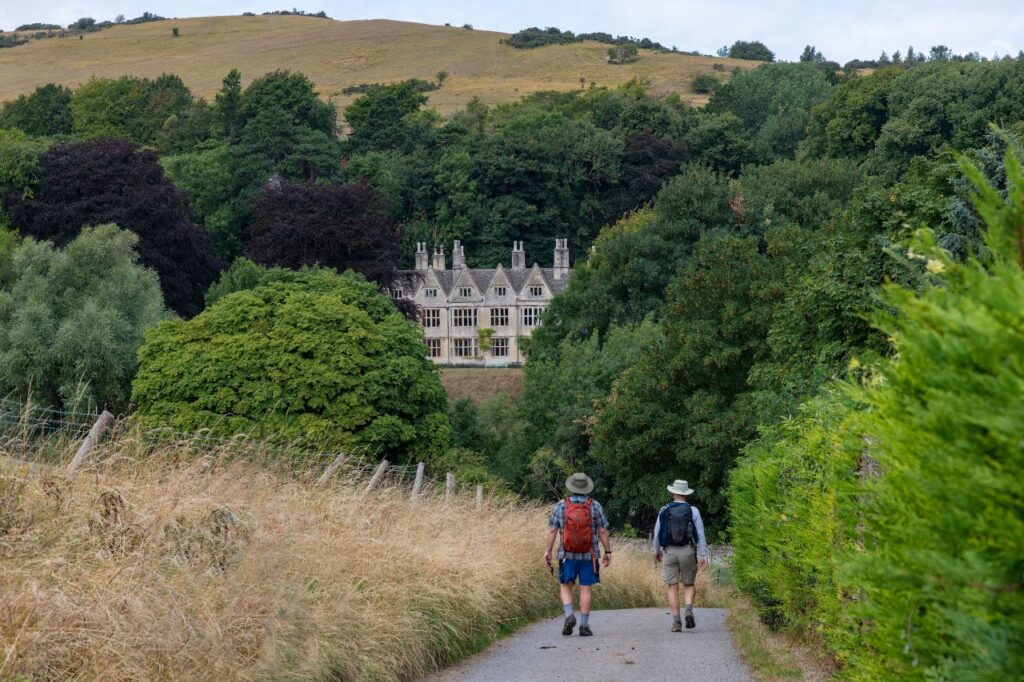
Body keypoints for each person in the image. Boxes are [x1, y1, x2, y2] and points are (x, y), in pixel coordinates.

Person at [543, 472, 612, 637]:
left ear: (571, 487)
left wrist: (548, 551)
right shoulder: (594, 505)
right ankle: (584, 625)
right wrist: (608, 551)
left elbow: (553, 530)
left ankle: (569, 615)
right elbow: (602, 530)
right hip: (590, 555)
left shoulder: (561, 505)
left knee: (565, 585)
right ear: (586, 487)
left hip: (567, 554)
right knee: (585, 588)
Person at [653, 479, 708, 631]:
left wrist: (656, 551)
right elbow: (701, 535)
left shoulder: (664, 509)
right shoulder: (693, 511)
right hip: (688, 551)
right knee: (689, 584)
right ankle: (688, 610)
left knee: (672, 586)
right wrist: (704, 555)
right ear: (686, 494)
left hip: (669, 551)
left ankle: (676, 622)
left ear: (673, 493)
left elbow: (657, 533)